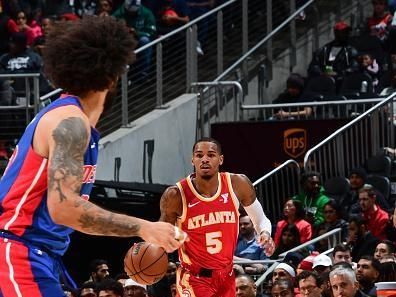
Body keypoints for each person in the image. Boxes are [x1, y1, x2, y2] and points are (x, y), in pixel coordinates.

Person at [0, 16, 185, 297]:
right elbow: (65, 209)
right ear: (111, 76)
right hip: (16, 249)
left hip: (36, 253)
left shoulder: (67, 118)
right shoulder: (70, 123)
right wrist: (144, 227)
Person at [159, 137, 275, 297]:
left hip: (226, 275)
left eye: (211, 155)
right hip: (194, 278)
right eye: (199, 155)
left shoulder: (237, 184)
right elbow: (161, 239)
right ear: (192, 160)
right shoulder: (175, 195)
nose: (205, 159)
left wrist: (265, 233)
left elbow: (261, 220)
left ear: (221, 159)